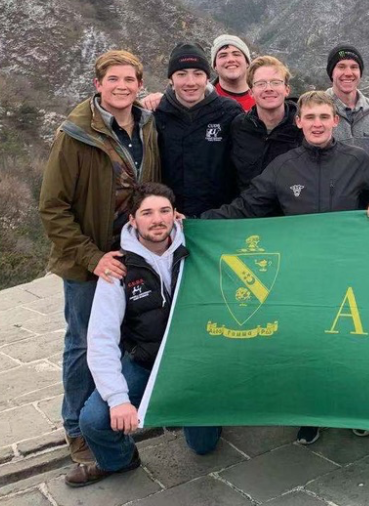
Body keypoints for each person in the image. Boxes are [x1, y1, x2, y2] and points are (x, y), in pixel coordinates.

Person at [203, 90, 369, 445]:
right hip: (301, 274)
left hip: (348, 269)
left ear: (335, 121)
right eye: (311, 118)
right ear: (299, 121)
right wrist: (196, 225)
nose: (317, 124)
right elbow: (245, 208)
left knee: (351, 342)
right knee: (307, 343)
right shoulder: (283, 167)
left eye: (324, 117)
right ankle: (310, 412)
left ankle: (356, 407)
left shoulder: (357, 160)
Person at [39, 50, 160, 464]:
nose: (122, 86)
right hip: (91, 258)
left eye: (130, 80)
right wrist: (93, 258)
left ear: (140, 85)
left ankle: (118, 409)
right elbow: (52, 206)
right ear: (98, 84)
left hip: (134, 251)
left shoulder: (147, 125)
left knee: (124, 335)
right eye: (114, 80)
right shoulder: (74, 135)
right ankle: (77, 429)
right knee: (83, 342)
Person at [65, 183, 221, 487]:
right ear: (133, 220)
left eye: (164, 211)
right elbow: (101, 338)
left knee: (204, 447)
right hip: (143, 362)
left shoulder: (196, 253)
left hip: (191, 364)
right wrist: (118, 399)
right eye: (147, 213)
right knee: (94, 420)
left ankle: (202, 410)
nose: (157, 219)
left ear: (176, 216)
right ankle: (119, 460)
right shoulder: (119, 268)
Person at [154, 43, 241, 217]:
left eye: (198, 74)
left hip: (219, 219)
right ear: (171, 79)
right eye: (181, 74)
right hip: (170, 220)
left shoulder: (228, 112)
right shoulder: (157, 114)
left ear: (207, 78)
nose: (190, 82)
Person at [230, 55, 302, 188]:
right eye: (261, 84)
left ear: (287, 90)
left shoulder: (302, 127)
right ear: (251, 92)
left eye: (275, 82)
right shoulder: (239, 128)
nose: (269, 88)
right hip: (248, 206)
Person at [324, 45, 369, 179]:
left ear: (360, 73)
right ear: (331, 72)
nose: (348, 73)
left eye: (354, 67)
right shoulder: (316, 111)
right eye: (341, 66)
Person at [211, 34, 255, 110]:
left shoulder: (265, 97)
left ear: (247, 62)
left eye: (236, 54)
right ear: (215, 66)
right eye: (223, 55)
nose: (230, 59)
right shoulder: (203, 100)